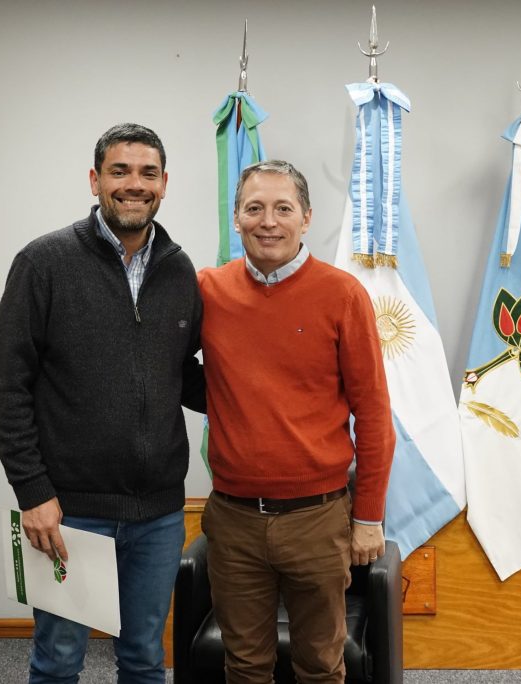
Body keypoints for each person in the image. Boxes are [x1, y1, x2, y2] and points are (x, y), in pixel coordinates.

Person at [0, 123, 204, 683]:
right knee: (58, 663)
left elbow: (183, 376)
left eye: (147, 173)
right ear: (95, 180)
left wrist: (269, 388)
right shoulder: (45, 262)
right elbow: (5, 383)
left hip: (156, 513)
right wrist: (33, 492)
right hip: (68, 512)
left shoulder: (179, 271)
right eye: (120, 171)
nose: (134, 184)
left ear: (164, 184)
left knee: (145, 658)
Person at [197, 160, 395, 683]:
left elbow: (374, 414)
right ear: (236, 219)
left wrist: (369, 517)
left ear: (306, 218)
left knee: (320, 666)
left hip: (318, 520)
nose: (269, 221)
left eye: (283, 208)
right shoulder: (207, 292)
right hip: (233, 519)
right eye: (254, 208)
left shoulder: (342, 294)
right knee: (243, 667)